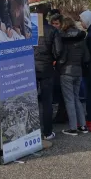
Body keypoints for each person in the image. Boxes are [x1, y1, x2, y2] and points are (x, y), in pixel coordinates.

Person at [34, 10, 63, 140]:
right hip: (47, 68)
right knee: (47, 101)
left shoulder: (27, 30)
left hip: (30, 68)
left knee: (30, 100)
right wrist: (53, 58)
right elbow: (58, 51)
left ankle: (31, 131)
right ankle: (47, 132)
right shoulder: (52, 30)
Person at [58, 17, 89, 135]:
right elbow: (86, 58)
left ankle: (72, 128)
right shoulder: (82, 38)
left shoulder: (62, 38)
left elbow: (61, 56)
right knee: (76, 99)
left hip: (66, 72)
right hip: (78, 71)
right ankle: (83, 125)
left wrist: (59, 66)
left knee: (69, 100)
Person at [48, 12, 68, 124]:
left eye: (57, 23)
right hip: (56, 65)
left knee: (61, 91)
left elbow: (59, 50)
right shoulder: (52, 33)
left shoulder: (61, 35)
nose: (55, 25)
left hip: (60, 65)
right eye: (53, 23)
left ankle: (62, 114)